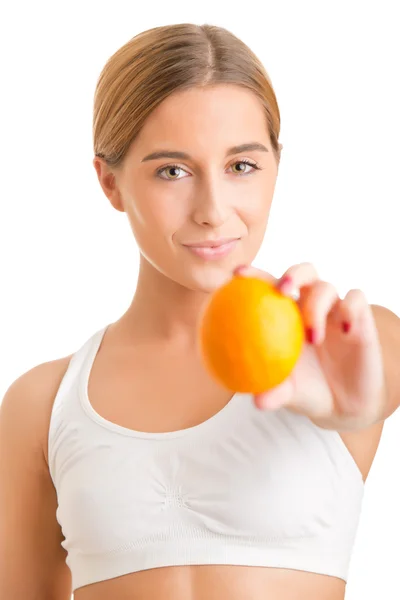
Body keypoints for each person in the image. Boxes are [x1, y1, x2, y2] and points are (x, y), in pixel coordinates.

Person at [1, 22, 399, 600]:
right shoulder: (42, 403)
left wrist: (355, 405)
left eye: (242, 166)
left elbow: (377, 380)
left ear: (275, 168)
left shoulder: (345, 343)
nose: (213, 210)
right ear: (110, 184)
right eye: (173, 171)